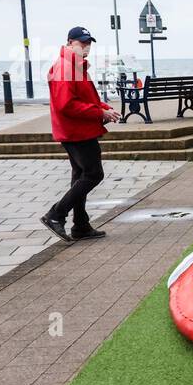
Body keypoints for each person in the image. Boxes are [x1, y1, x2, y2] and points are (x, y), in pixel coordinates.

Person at [40, 27, 121, 242]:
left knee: (80, 176)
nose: (86, 47)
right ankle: (56, 214)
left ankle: (81, 225)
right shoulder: (65, 68)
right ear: (69, 43)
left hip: (78, 129)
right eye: (82, 43)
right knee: (94, 174)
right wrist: (99, 112)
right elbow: (67, 105)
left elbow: (84, 98)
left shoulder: (74, 67)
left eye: (89, 43)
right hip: (76, 131)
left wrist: (104, 108)